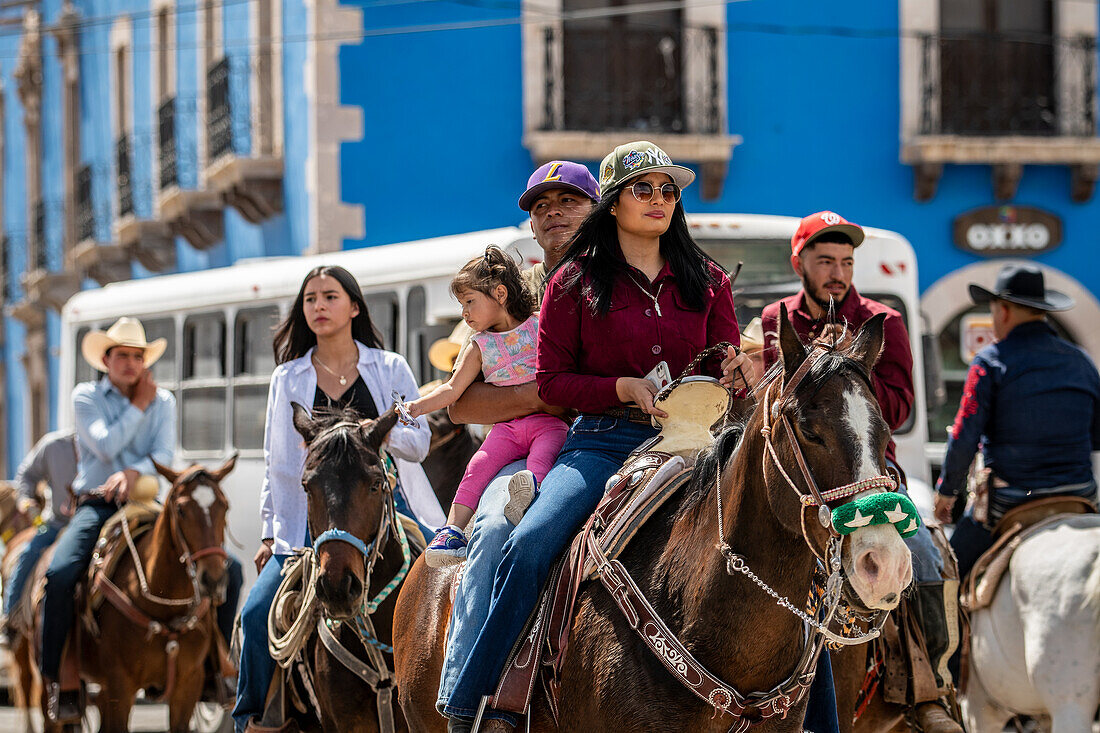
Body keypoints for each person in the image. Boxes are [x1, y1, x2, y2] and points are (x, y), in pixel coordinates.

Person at [441, 140, 753, 731]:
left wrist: (738, 376)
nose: (659, 200)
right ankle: (482, 702)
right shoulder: (570, 284)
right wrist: (621, 388)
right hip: (602, 441)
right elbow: (555, 381)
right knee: (529, 541)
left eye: (669, 190)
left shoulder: (709, 280)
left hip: (700, 441)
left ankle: (816, 717)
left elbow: (726, 369)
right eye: (643, 189)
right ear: (613, 203)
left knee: (794, 540)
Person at [760, 211, 960, 733]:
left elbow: (898, 407)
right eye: (825, 261)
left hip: (873, 471)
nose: (837, 273)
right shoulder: (775, 319)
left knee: (924, 549)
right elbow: (768, 400)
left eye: (846, 262)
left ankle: (928, 689)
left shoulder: (883, 323)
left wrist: (847, 377)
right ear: (799, 263)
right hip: (801, 473)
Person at [233, 265, 437, 732]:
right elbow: (280, 463)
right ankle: (255, 720)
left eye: (329, 296)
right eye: (310, 299)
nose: (318, 306)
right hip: (316, 516)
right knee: (256, 612)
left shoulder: (389, 368)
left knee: (453, 586)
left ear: (355, 307)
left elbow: (419, 441)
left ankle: (471, 700)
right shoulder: (288, 377)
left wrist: (373, 436)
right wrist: (272, 533)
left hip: (388, 503)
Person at [40, 318, 177, 722]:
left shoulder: (164, 401)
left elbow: (165, 455)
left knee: (219, 567)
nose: (131, 364)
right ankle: (58, 678)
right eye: (123, 356)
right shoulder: (85, 396)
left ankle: (213, 668)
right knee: (61, 575)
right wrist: (138, 407)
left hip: (147, 506)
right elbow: (103, 444)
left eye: (138, 356)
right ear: (106, 359)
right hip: (97, 505)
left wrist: (135, 473)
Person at [934, 264, 1100, 580]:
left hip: (1012, 503)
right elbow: (1097, 436)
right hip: (1080, 497)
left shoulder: (990, 361)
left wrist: (947, 492)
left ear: (1005, 310)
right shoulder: (1081, 361)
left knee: (945, 573)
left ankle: (947, 630)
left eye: (994, 310)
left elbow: (964, 435)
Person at [407, 247, 568, 566]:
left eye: (470, 301)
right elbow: (452, 389)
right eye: (462, 304)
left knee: (547, 449)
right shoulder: (478, 344)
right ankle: (452, 530)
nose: (465, 313)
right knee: (477, 466)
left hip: (546, 421)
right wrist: (416, 407)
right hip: (506, 428)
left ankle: (529, 491)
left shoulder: (540, 325)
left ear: (500, 293)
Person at [0, 430, 77, 646]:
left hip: (98, 519)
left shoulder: (112, 445)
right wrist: (25, 500)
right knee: (28, 553)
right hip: (56, 522)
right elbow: (27, 475)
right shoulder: (53, 446)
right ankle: (10, 618)